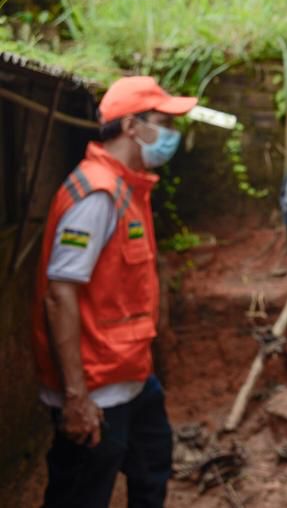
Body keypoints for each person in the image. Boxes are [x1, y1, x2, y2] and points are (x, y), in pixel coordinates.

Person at [32, 76, 196, 508]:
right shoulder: (97, 196)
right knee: (83, 492)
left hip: (132, 378)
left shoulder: (128, 187)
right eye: (163, 123)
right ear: (131, 127)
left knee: (152, 466)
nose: (171, 136)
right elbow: (59, 295)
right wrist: (76, 399)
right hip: (96, 390)